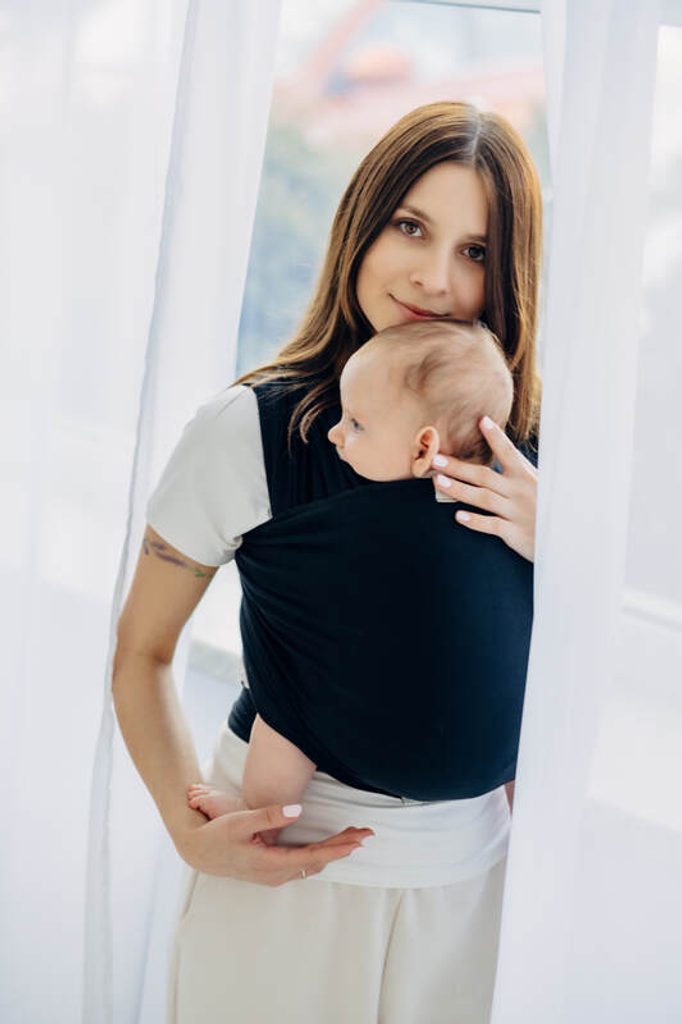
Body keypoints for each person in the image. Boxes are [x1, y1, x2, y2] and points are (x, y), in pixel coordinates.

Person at [113, 101, 541, 1024]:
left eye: (474, 250)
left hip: (467, 890)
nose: (433, 276)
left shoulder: (536, 463)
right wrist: (188, 830)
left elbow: (568, 682)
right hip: (281, 877)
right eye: (411, 227)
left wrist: (559, 546)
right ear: (362, 222)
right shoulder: (249, 432)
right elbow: (141, 652)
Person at [186, 317, 516, 848]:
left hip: (371, 734)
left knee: (287, 708)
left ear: (423, 449)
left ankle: (261, 816)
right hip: (493, 765)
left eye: (356, 423)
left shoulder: (354, 517)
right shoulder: (508, 509)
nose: (335, 433)